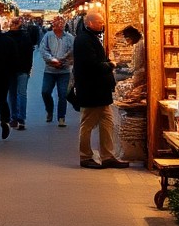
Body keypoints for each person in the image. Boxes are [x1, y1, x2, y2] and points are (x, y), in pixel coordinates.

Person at [73, 10, 127, 168]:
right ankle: (85, 157)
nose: (102, 24)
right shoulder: (84, 40)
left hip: (100, 91)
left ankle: (107, 155)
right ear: (90, 23)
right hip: (91, 90)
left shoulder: (90, 38)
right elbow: (91, 65)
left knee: (107, 122)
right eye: (99, 22)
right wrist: (110, 65)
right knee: (87, 124)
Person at [38, 15, 74, 127]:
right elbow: (43, 49)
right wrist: (52, 60)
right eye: (57, 24)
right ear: (53, 25)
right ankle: (49, 110)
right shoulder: (48, 36)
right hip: (50, 70)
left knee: (63, 95)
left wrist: (64, 60)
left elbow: (73, 50)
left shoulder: (69, 37)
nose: (59, 26)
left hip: (64, 71)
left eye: (61, 24)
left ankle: (61, 117)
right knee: (45, 92)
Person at [6, 16, 34, 129]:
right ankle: (20, 119)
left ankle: (15, 118)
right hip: (21, 70)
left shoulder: (6, 37)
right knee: (21, 94)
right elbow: (30, 53)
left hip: (13, 70)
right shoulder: (26, 36)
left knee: (13, 94)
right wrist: (28, 68)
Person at [122, 25, 146, 100]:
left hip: (141, 75)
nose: (127, 40)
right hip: (140, 73)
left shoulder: (139, 45)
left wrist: (126, 71)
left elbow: (137, 65)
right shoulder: (140, 43)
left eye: (128, 38)